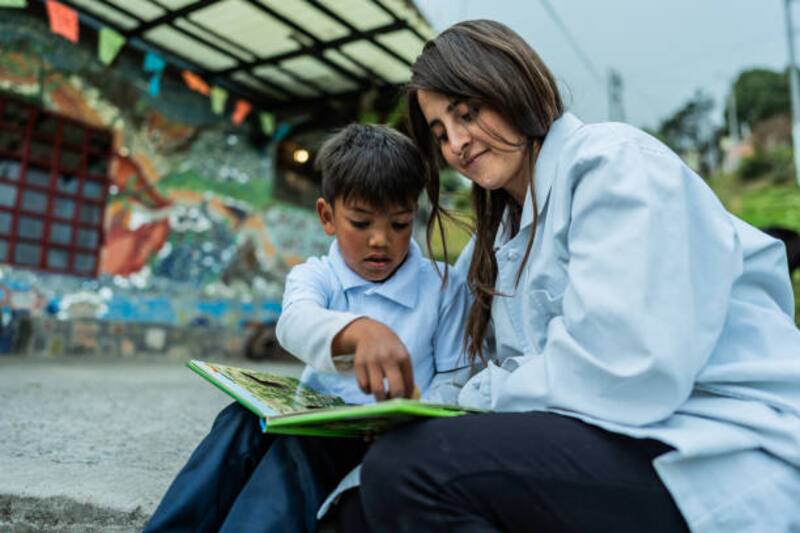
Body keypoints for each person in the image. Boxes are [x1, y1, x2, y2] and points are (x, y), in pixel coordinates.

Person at [349, 20, 800, 532]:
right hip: (633, 433)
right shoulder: (496, 238)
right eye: (440, 133)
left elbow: (625, 369)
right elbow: (439, 333)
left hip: (721, 440)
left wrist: (471, 398)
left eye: (467, 114)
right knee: (356, 495)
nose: (456, 144)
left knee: (411, 472)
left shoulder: (614, 167)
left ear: (512, 86)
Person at [143, 124, 471, 532]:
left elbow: (457, 377)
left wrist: (410, 422)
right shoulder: (315, 275)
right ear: (327, 217)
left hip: (389, 445)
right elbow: (294, 323)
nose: (380, 240)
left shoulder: (443, 285)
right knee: (239, 421)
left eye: (400, 224)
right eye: (361, 222)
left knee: (295, 454)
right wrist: (358, 330)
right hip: (316, 421)